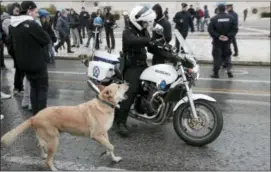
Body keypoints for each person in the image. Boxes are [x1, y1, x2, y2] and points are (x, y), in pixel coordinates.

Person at [114, 5, 155, 137]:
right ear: (137, 21)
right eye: (144, 22)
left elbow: (150, 46)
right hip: (131, 67)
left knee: (153, 84)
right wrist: (150, 40)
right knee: (130, 92)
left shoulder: (144, 31)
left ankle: (144, 106)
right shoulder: (128, 32)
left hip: (142, 64)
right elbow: (134, 41)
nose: (146, 24)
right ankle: (121, 122)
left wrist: (164, 46)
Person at [8, 1, 51, 115]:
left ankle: (36, 115)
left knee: (33, 88)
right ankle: (42, 116)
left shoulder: (13, 25)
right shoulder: (31, 24)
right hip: (37, 63)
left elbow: (11, 45)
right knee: (41, 89)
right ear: (29, 11)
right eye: (36, 12)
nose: (37, 15)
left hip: (24, 64)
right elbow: (46, 39)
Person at [208, 3, 238, 79]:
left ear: (218, 9)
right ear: (225, 9)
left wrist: (218, 36)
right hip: (227, 41)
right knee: (227, 56)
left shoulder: (214, 19)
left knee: (217, 57)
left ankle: (216, 73)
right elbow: (235, 29)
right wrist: (228, 36)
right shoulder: (231, 18)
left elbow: (210, 30)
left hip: (217, 42)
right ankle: (229, 71)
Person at [1, 3, 24, 96]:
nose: (18, 13)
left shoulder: (16, 19)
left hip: (18, 46)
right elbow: (10, 34)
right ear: (11, 10)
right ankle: (17, 88)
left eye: (19, 10)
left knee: (20, 67)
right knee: (19, 67)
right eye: (16, 10)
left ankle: (19, 87)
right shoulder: (7, 20)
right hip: (13, 47)